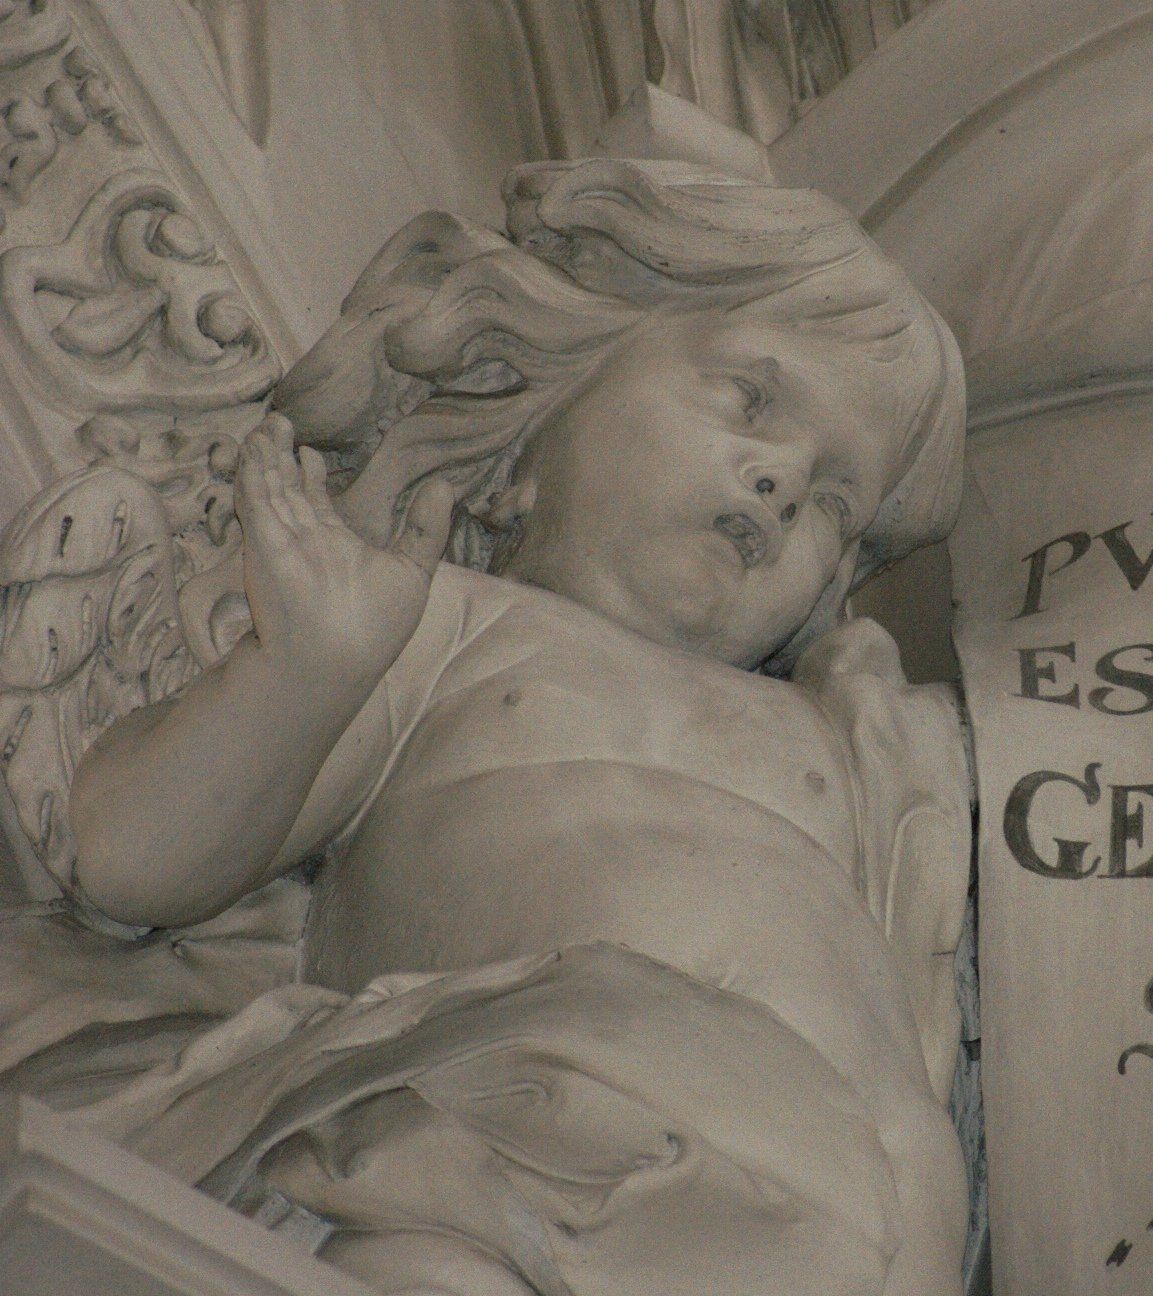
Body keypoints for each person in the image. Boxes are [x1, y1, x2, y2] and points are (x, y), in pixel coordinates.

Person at [2, 157, 971, 1296]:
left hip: (849, 1230)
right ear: (534, 413)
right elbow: (133, 861)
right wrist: (308, 669)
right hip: (508, 1134)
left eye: (834, 504)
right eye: (751, 401)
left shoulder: (834, 741)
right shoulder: (437, 621)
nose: (784, 484)